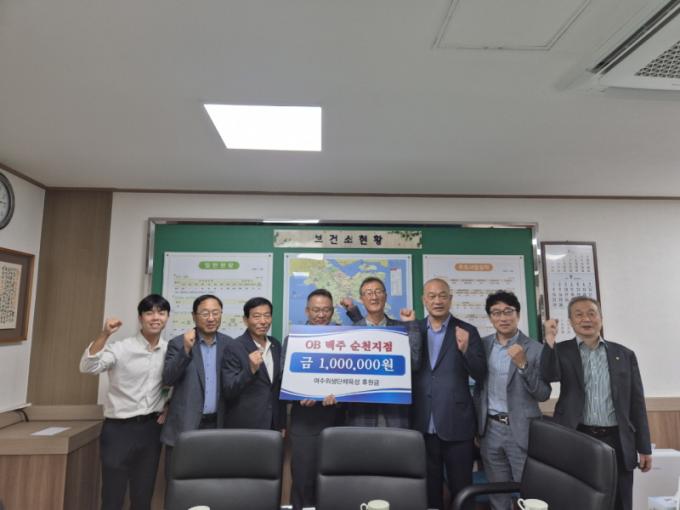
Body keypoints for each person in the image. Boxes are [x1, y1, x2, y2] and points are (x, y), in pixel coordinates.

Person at [541, 296, 652, 510]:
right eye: (579, 314)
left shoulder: (624, 355)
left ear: (601, 318)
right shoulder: (562, 351)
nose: (586, 319)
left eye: (591, 313)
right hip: (577, 436)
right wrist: (549, 340)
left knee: (620, 500)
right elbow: (548, 375)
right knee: (578, 499)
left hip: (617, 440)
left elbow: (636, 403)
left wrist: (644, 448)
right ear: (571, 322)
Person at [79, 294, 171, 510]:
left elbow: (176, 383)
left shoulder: (169, 350)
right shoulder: (121, 348)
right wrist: (104, 334)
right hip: (119, 429)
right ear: (140, 318)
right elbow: (88, 367)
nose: (156, 318)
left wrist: (168, 405)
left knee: (143, 496)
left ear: (167, 317)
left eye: (161, 313)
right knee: (113, 495)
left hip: (151, 429)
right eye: (149, 313)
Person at [410, 278, 486, 510]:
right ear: (424, 300)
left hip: (457, 424)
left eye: (443, 295)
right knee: (428, 489)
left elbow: (481, 373)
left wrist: (465, 350)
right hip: (422, 423)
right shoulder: (413, 330)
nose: (437, 301)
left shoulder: (467, 330)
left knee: (462, 488)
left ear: (450, 299)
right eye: (432, 296)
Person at [474, 291, 551, 510]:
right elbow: (479, 389)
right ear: (490, 317)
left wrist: (524, 365)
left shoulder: (535, 349)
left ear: (518, 314)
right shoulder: (482, 346)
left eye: (508, 311)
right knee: (496, 493)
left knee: (528, 492)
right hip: (490, 429)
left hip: (521, 430)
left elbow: (543, 394)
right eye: (496, 313)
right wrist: (477, 427)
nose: (503, 317)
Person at [161, 294, 232, 476]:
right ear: (194, 316)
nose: (211, 318)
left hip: (217, 426)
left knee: (211, 482)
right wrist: (185, 350)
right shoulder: (178, 343)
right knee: (178, 482)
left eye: (216, 313)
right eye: (205, 313)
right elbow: (168, 378)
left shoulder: (229, 344)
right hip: (185, 426)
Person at [285, 288, 342, 510]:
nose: (321, 315)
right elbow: (283, 378)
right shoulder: (294, 340)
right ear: (307, 311)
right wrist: (298, 396)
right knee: (303, 481)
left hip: (338, 420)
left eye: (326, 310)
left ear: (332, 311)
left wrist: (341, 395)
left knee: (334, 482)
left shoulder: (345, 339)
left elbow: (352, 376)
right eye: (316, 310)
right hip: (305, 421)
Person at [341, 276, 421, 428]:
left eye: (378, 291)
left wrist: (411, 325)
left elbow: (415, 364)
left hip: (396, 413)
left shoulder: (402, 328)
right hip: (360, 415)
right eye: (369, 293)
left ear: (385, 296)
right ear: (361, 299)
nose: (374, 296)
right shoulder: (350, 333)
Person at [222, 297, 286, 431]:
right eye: (256, 316)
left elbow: (277, 388)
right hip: (246, 424)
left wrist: (282, 423)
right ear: (246, 320)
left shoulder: (275, 344)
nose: (263, 321)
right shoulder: (234, 347)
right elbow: (229, 389)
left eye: (267, 316)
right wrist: (250, 370)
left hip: (273, 423)